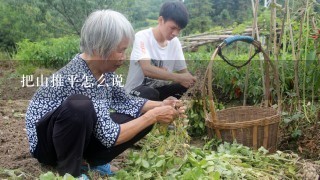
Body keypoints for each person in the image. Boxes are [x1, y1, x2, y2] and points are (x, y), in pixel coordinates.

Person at [25, 10, 186, 178]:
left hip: (77, 135)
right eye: (121, 51)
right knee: (79, 106)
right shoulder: (79, 75)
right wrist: (153, 116)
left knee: (147, 96)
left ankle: (93, 161)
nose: (124, 57)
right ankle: (70, 171)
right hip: (47, 146)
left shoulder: (104, 72)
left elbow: (125, 101)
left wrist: (163, 105)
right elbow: (109, 136)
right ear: (99, 48)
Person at [124, 1, 196, 101]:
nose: (175, 33)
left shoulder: (175, 43)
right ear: (161, 20)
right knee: (150, 93)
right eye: (173, 28)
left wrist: (190, 80)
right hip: (137, 92)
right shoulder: (142, 37)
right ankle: (162, 108)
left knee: (189, 81)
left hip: (159, 91)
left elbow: (185, 74)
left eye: (179, 30)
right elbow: (147, 69)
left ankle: (171, 108)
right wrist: (178, 78)